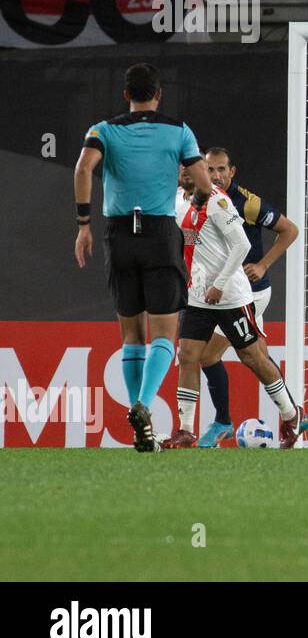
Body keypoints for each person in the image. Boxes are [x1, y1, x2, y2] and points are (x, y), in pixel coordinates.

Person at [74, 63, 213, 454]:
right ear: (159, 93)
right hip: (158, 233)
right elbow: (204, 183)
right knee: (165, 334)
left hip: (118, 234)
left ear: (125, 95)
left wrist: (83, 223)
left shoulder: (103, 129)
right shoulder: (179, 130)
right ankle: (144, 405)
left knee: (131, 333)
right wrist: (198, 199)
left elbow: (84, 167)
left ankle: (144, 429)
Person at [164, 167, 308, 449]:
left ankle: (291, 414)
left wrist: (219, 284)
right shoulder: (178, 198)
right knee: (188, 355)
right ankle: (185, 430)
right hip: (198, 297)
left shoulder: (218, 202)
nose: (184, 175)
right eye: (180, 170)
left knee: (253, 357)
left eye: (189, 170)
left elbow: (241, 245)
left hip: (230, 296)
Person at [191, 146, 299, 447]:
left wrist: (263, 264)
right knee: (256, 356)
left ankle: (223, 420)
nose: (216, 176)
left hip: (246, 293)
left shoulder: (247, 203)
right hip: (223, 292)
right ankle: (293, 414)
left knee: (207, 355)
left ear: (232, 171)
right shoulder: (200, 199)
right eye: (210, 170)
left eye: (221, 169)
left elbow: (289, 230)